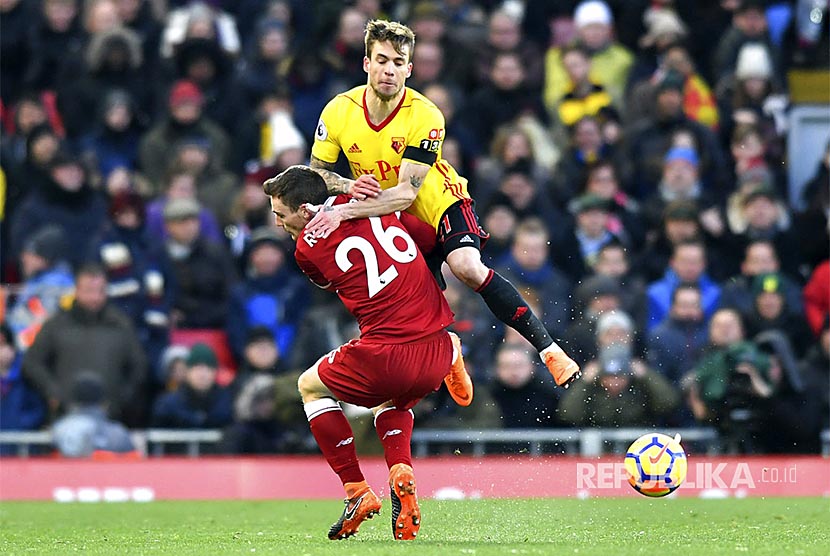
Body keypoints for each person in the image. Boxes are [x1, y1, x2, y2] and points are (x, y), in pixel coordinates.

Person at [303, 19, 580, 389]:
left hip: (437, 201)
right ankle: (447, 350)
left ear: (410, 68)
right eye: (382, 60)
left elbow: (407, 194)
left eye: (398, 62)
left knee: (466, 266)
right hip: (384, 214)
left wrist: (343, 208)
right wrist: (351, 185)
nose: (390, 70)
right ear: (366, 63)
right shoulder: (339, 111)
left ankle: (549, 350)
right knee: (396, 299)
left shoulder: (426, 114)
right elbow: (317, 173)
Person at [263, 165, 473, 541]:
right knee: (390, 403)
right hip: (434, 345)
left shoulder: (306, 248)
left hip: (385, 353)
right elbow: (427, 238)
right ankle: (401, 470)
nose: (278, 223)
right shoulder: (378, 203)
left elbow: (331, 280)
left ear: (307, 210)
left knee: (309, 386)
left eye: (281, 214)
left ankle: (356, 490)